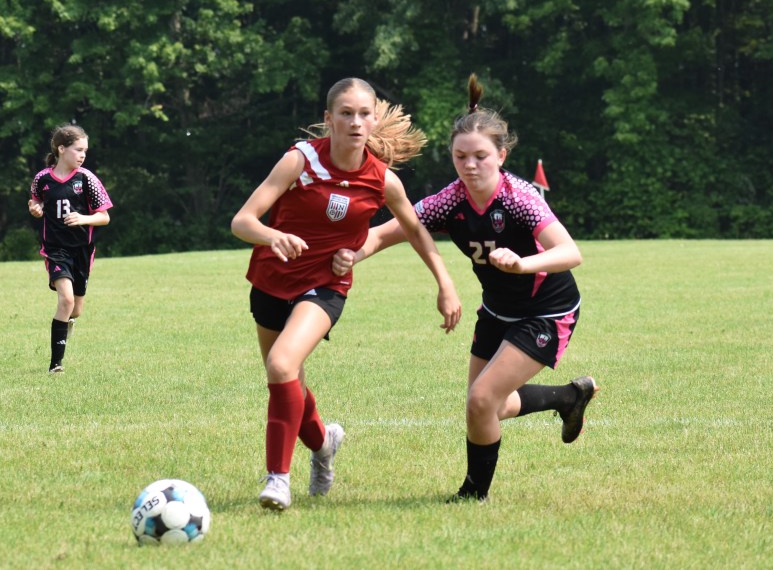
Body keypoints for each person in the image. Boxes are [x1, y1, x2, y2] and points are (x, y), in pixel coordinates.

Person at [333, 74, 598, 503]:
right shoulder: (450, 200)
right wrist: (352, 254)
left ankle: (474, 495)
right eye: (460, 157)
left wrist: (523, 263)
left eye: (480, 156)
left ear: (501, 155)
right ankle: (568, 397)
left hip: (546, 311)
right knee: (487, 405)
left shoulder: (519, 198)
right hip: (496, 311)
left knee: (481, 400)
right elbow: (385, 233)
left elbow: (570, 252)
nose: (470, 165)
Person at [231, 78, 462, 511]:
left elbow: (416, 231)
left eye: (363, 114)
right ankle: (324, 444)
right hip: (269, 281)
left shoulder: (383, 181)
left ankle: (278, 480)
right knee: (288, 379)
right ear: (329, 119)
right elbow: (242, 221)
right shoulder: (300, 161)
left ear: (374, 120)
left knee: (281, 365)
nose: (355, 122)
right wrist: (272, 236)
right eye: (346, 113)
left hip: (324, 287)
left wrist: (445, 284)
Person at [28, 124, 113, 373]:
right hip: (55, 249)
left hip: (82, 251)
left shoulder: (87, 179)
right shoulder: (42, 179)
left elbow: (104, 217)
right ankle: (56, 364)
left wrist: (83, 218)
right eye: (78, 150)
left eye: (85, 151)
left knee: (75, 309)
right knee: (65, 300)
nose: (83, 155)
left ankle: (68, 323)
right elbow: (35, 200)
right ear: (61, 149)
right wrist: (34, 208)